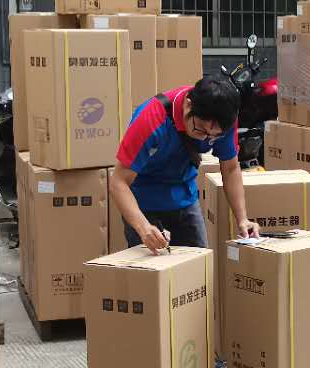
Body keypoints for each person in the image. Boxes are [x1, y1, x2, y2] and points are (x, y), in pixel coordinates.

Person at [109, 75, 259, 254]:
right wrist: (143, 228)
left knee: (199, 264)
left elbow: (231, 168)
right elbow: (118, 182)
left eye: (214, 136)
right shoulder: (151, 119)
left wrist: (242, 219)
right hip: (144, 203)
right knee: (151, 268)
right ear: (188, 105)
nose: (206, 138)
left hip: (185, 199)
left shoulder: (223, 120)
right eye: (200, 130)